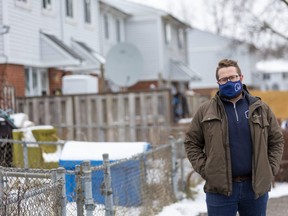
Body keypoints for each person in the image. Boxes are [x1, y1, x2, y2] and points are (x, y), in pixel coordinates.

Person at [184, 59, 284, 216]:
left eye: (233, 77)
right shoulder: (205, 111)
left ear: (241, 78)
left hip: (254, 189)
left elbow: (276, 140)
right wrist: (206, 170)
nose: (229, 82)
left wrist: (270, 168)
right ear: (218, 82)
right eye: (224, 79)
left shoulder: (260, 108)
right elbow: (191, 143)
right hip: (220, 191)